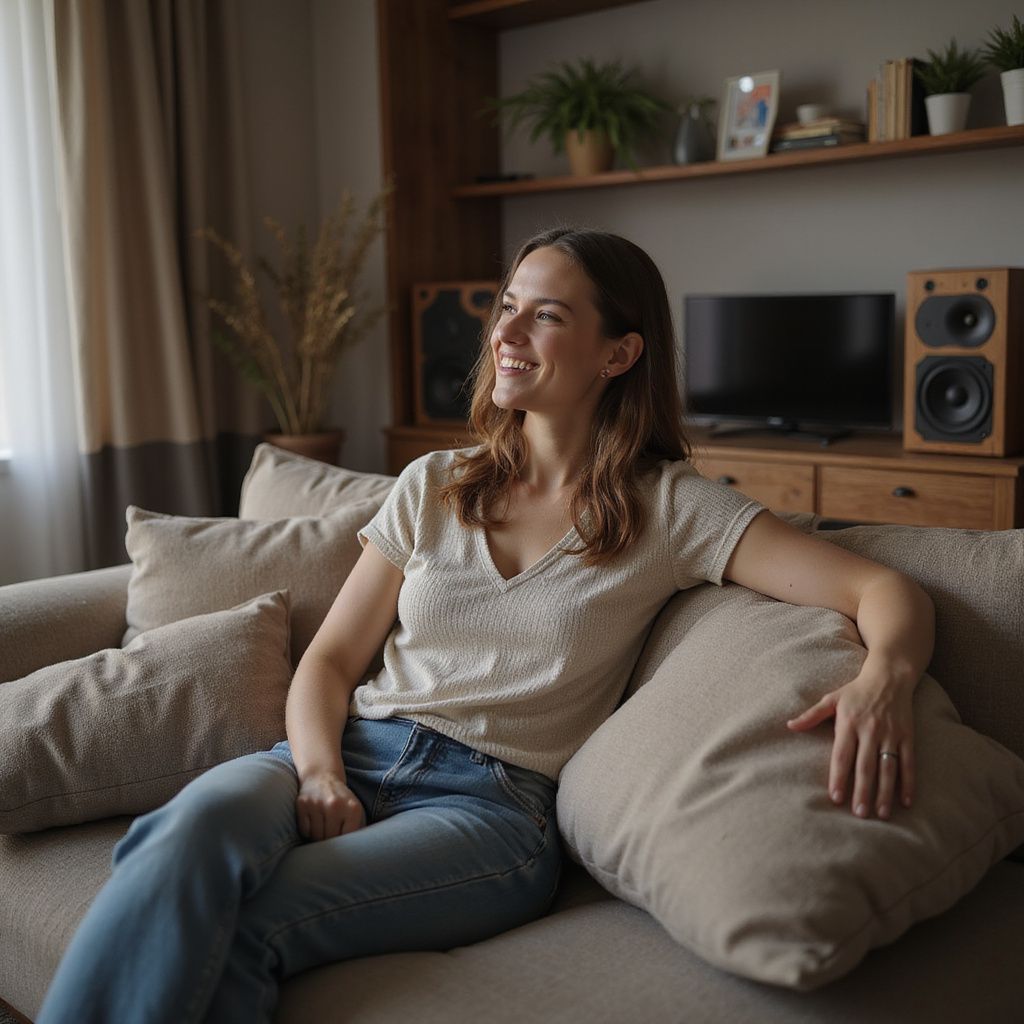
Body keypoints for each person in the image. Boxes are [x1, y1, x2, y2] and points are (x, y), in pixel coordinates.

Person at [37, 227, 935, 1023]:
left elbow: (880, 590)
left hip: (487, 811)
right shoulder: (434, 483)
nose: (503, 334)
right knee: (175, 840)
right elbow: (331, 661)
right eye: (507, 307)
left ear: (618, 354)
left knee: (252, 921)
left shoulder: (669, 510)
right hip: (343, 752)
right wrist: (315, 772)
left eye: (544, 316)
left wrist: (883, 675)